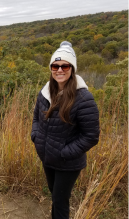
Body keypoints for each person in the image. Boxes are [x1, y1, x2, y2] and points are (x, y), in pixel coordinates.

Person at [31, 41, 100, 219]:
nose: (59, 70)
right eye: (55, 65)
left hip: (67, 162)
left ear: (72, 68)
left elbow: (91, 136)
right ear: (51, 68)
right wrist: (36, 136)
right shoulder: (46, 92)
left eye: (65, 66)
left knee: (61, 201)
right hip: (47, 157)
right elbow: (36, 118)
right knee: (55, 196)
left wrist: (64, 152)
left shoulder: (83, 98)